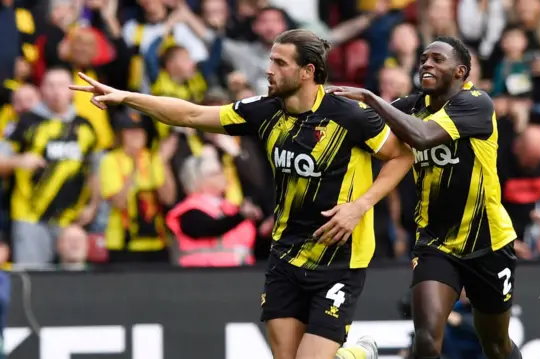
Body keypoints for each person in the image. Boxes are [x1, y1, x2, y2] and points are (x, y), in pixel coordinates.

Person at [70, 28, 415, 359]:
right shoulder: (264, 111)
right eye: (271, 60)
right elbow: (190, 114)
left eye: (280, 63)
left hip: (339, 258)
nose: (269, 70)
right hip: (286, 254)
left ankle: (354, 353)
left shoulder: (349, 116)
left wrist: (360, 205)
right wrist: (126, 97)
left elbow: (402, 154)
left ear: (308, 72)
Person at [328, 36, 522, 359]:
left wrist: (371, 98)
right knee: (428, 339)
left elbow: (422, 136)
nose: (426, 64)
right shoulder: (412, 107)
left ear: (460, 72)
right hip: (435, 243)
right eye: (423, 59)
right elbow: (367, 128)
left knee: (496, 345)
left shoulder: (477, 104)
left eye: (436, 59)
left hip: (488, 241)